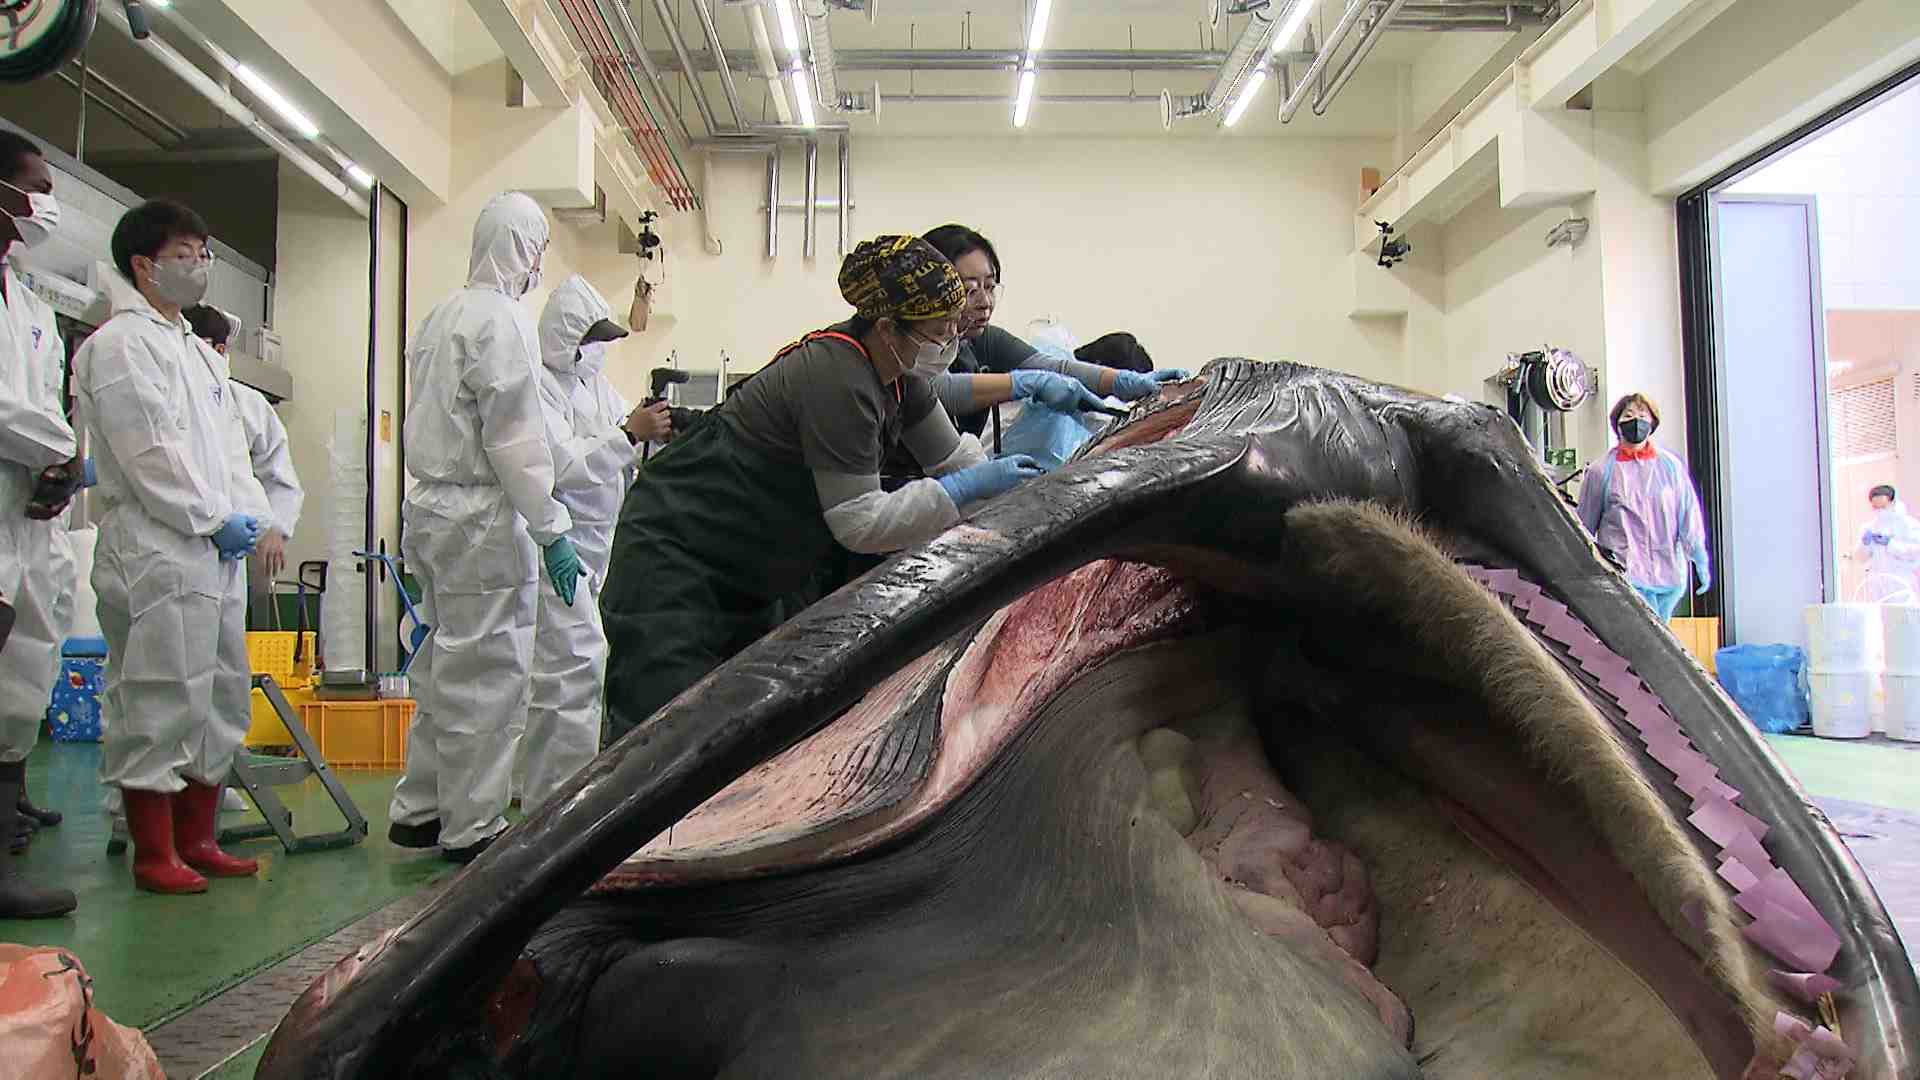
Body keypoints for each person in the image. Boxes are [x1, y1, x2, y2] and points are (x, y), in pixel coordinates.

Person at [601, 236, 1043, 742]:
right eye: (939, 332)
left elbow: (954, 459)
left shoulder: (903, 377)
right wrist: (961, 490)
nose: (949, 344)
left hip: (750, 566)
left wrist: (1027, 498)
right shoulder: (840, 377)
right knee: (662, 740)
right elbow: (860, 522)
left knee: (743, 731)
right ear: (887, 327)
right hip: (676, 555)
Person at [75, 199, 263, 895]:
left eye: (204, 253)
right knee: (158, 694)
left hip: (214, 551)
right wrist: (211, 517)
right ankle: (154, 851)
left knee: (220, 694)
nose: (200, 266)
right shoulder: (121, 346)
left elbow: (233, 449)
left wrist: (245, 515)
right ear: (143, 265)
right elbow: (149, 452)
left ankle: (198, 838)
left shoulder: (196, 353)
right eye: (185, 254)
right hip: (156, 545)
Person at [388, 192, 576, 863]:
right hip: (481, 520)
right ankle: (471, 826)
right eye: (538, 249)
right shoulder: (503, 321)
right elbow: (515, 440)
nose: (537, 264)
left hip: (429, 509)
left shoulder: (440, 315)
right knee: (487, 677)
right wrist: (550, 526)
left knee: (442, 664)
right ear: (521, 247)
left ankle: (420, 807)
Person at [509, 276, 669, 811]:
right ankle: (559, 802)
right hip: (561, 544)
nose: (598, 349)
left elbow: (627, 433)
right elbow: (565, 466)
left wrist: (653, 428)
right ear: (566, 337)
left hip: (599, 542)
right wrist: (630, 433)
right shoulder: (539, 389)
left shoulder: (594, 386)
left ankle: (542, 785)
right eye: (592, 339)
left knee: (567, 671)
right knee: (572, 668)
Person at [0, 131, 80, 917]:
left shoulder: (28, 304)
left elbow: (47, 403)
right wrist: (58, 448)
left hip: (25, 512)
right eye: (35, 186)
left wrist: (59, 469)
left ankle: (1, 861)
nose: (45, 204)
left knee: (18, 685)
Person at [916, 224, 1187, 442]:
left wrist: (1124, 381)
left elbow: (1054, 367)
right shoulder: (908, 347)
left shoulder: (981, 340)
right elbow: (934, 390)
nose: (985, 302)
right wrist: (1023, 384)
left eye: (990, 286)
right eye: (970, 290)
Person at [185, 304, 303, 581]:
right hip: (182, 543)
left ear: (220, 350)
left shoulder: (245, 403)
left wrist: (276, 527)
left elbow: (279, 472)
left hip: (240, 548)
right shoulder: (169, 396)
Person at [1577, 393, 1709, 620]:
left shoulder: (1670, 467)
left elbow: (1689, 516)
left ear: (1653, 423)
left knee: (1660, 634)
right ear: (1617, 423)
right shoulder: (1601, 471)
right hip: (1625, 577)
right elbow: (1583, 526)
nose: (1636, 420)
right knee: (1636, 636)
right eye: (1628, 415)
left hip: (1668, 578)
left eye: (1642, 415)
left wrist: (1700, 558)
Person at [1853, 484, 1920, 602]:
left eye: (1883, 507)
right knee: (1880, 611)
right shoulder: (1869, 527)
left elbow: (1915, 552)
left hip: (1901, 582)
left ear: (1892, 503)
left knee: (1903, 611)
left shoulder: (1909, 525)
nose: (1880, 511)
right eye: (1875, 507)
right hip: (1878, 584)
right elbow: (1860, 558)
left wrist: (1890, 544)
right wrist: (1864, 544)